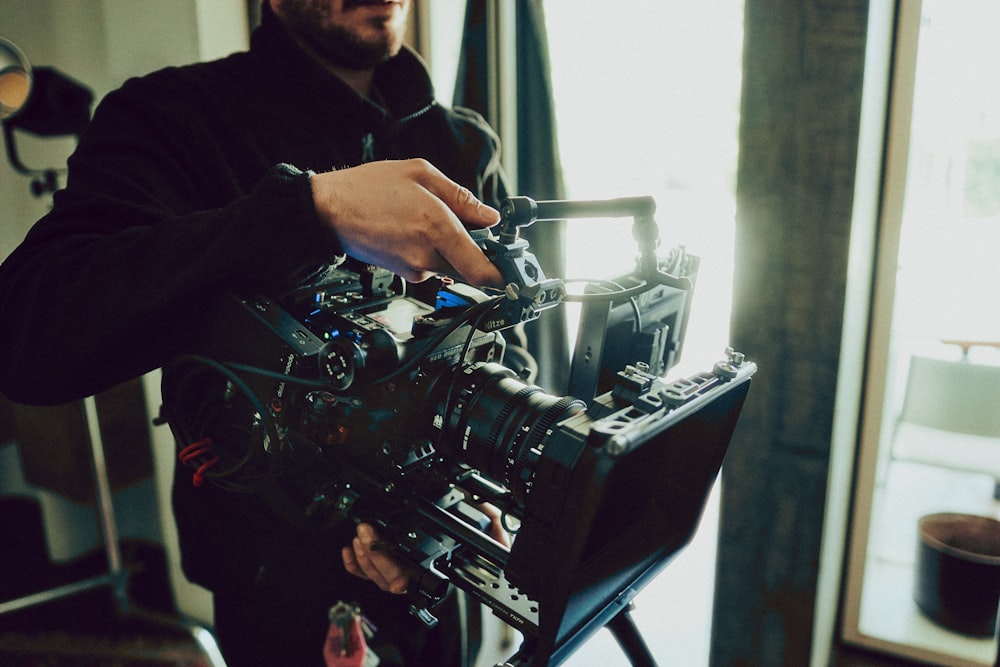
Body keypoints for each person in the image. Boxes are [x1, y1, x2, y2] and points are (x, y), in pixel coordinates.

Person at [0, 0, 509, 665]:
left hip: (433, 574)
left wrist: (459, 492)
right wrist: (310, 212)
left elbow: (505, 337)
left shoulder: (463, 143)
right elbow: (29, 327)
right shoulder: (170, 118)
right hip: (269, 582)